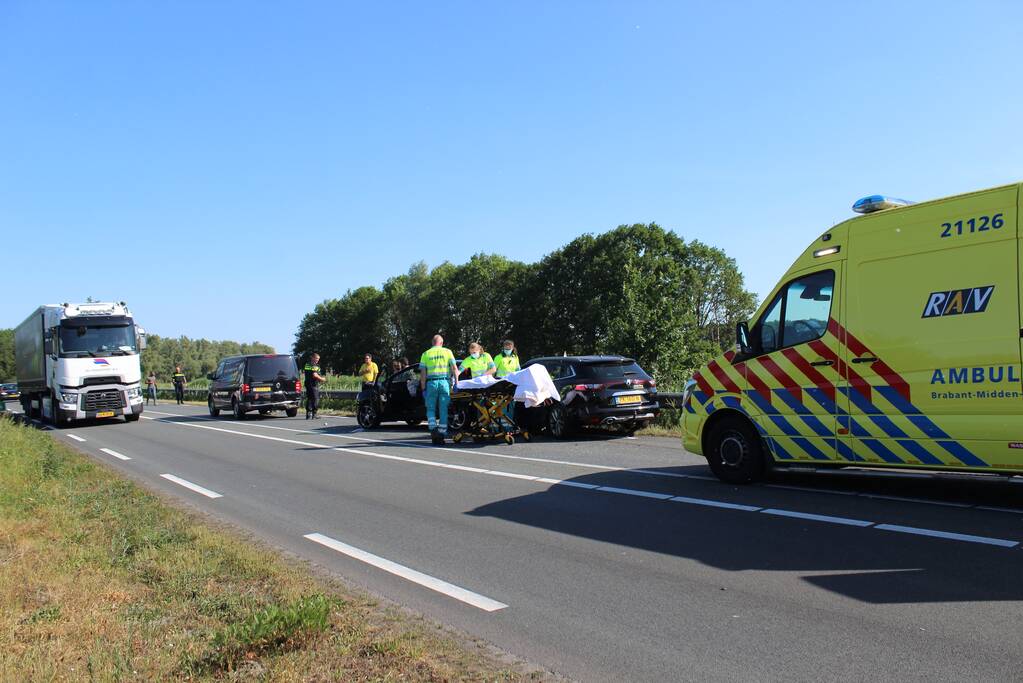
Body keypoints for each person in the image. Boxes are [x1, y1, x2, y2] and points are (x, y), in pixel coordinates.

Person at [419, 335, 459, 445]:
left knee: (430, 409)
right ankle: (441, 435)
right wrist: (457, 383)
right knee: (443, 409)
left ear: (432, 343)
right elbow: (454, 368)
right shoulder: (447, 352)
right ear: (441, 343)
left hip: (431, 383)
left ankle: (433, 431)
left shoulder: (425, 354)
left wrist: (423, 388)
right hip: (444, 383)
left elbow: (423, 373)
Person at [493, 339, 521, 429]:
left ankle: (509, 427)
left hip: (511, 385)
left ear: (512, 348)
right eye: (506, 348)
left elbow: (518, 370)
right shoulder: (498, 357)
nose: (507, 349)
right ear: (503, 348)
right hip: (500, 385)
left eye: (509, 348)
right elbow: (493, 371)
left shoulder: (515, 357)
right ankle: (498, 428)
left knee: (511, 406)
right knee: (499, 406)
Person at [303, 353, 327, 419]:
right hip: (313, 384)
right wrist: (322, 379)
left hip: (307, 383)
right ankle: (314, 414)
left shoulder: (307, 364)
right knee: (316, 399)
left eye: (318, 359)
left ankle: (308, 414)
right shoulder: (315, 365)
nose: (317, 360)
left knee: (310, 398)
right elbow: (315, 375)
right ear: (312, 358)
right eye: (316, 358)